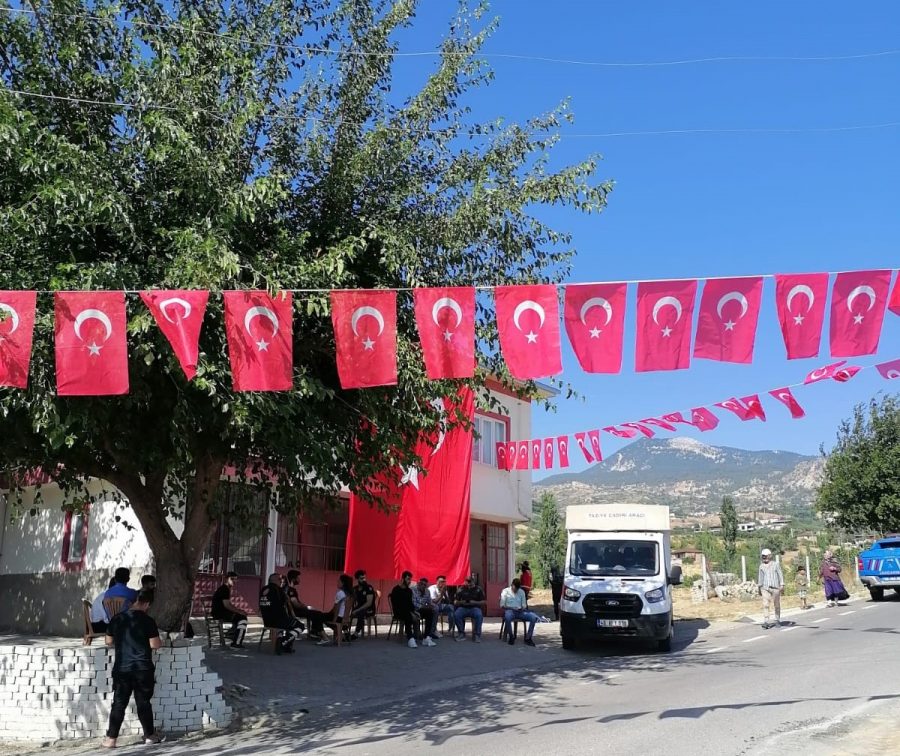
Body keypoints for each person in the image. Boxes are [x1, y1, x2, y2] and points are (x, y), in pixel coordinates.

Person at [101, 589, 164, 748]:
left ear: (133, 601)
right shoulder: (148, 620)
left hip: (122, 669)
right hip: (143, 668)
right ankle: (150, 736)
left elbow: (108, 641)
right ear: (147, 604)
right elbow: (155, 645)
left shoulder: (117, 619)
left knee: (119, 703)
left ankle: (111, 740)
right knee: (143, 702)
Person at [259, 572, 303, 654]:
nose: (281, 581)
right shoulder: (279, 590)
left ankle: (284, 645)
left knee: (286, 624)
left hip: (267, 621)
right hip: (278, 620)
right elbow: (286, 604)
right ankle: (283, 643)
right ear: (274, 580)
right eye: (279, 579)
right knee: (300, 626)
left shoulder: (263, 589)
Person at [390, 571, 431, 648]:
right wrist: (411, 612)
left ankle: (426, 637)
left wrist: (415, 612)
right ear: (403, 579)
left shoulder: (409, 591)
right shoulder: (396, 589)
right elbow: (396, 605)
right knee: (407, 614)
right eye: (408, 579)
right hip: (398, 612)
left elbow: (410, 604)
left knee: (429, 612)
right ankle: (410, 638)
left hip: (408, 611)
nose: (409, 581)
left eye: (410, 579)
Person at [285, 569, 327, 639]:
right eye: (297, 578)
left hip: (297, 610)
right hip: (295, 611)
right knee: (317, 614)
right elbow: (296, 604)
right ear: (293, 579)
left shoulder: (289, 589)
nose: (299, 579)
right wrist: (306, 607)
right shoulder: (291, 590)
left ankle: (314, 631)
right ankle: (316, 632)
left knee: (316, 613)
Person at [211, 571, 248, 648]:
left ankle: (231, 634)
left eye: (235, 579)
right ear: (226, 579)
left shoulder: (226, 588)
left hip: (222, 612)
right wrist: (239, 611)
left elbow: (228, 605)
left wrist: (238, 611)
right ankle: (236, 642)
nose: (234, 581)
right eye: (232, 579)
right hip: (220, 613)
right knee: (242, 618)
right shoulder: (224, 589)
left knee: (239, 616)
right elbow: (227, 605)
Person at [500, 578, 539, 646]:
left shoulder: (521, 592)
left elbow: (524, 605)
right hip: (510, 610)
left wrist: (522, 608)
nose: (516, 590)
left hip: (520, 611)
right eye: (515, 588)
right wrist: (511, 608)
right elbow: (502, 605)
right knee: (508, 617)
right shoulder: (505, 591)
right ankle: (511, 637)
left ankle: (528, 638)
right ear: (512, 585)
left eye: (517, 589)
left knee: (533, 617)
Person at [318, 573, 355, 646]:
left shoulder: (340, 593)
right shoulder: (351, 594)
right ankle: (339, 633)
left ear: (343, 583)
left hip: (338, 618)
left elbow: (336, 608)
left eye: (339, 581)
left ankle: (324, 637)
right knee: (323, 616)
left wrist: (334, 619)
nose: (337, 583)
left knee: (317, 617)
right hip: (346, 618)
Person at [453, 575, 486, 642]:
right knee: (456, 614)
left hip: (474, 607)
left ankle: (477, 635)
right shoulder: (461, 589)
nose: (468, 583)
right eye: (467, 581)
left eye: (470, 581)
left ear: (473, 581)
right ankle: (461, 633)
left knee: (479, 615)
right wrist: (462, 602)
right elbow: (455, 601)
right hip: (463, 607)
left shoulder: (478, 589)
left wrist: (474, 602)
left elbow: (483, 602)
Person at [757, 548, 784, 629]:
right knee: (765, 604)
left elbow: (780, 574)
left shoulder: (776, 564)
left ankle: (777, 619)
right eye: (763, 556)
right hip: (765, 588)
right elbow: (760, 577)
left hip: (775, 587)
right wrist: (759, 587)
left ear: (769, 556)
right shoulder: (761, 566)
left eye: (765, 556)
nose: (764, 558)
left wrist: (782, 584)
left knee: (776, 604)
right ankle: (766, 621)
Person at [350, 569, 376, 639]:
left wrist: (357, 610)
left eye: (364, 578)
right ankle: (346, 632)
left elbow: (369, 603)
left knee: (361, 613)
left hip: (369, 609)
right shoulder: (355, 589)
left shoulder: (369, 588)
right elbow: (351, 599)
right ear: (357, 579)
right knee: (346, 612)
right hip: (359, 607)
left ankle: (356, 633)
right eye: (361, 578)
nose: (364, 580)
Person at [412, 577, 438, 641]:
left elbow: (429, 601)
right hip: (414, 609)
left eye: (424, 585)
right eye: (421, 584)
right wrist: (423, 606)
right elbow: (413, 603)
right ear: (418, 584)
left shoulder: (427, 591)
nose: (423, 586)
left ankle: (428, 634)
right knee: (427, 611)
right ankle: (417, 633)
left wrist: (432, 606)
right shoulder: (413, 590)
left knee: (432, 611)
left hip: (423, 610)